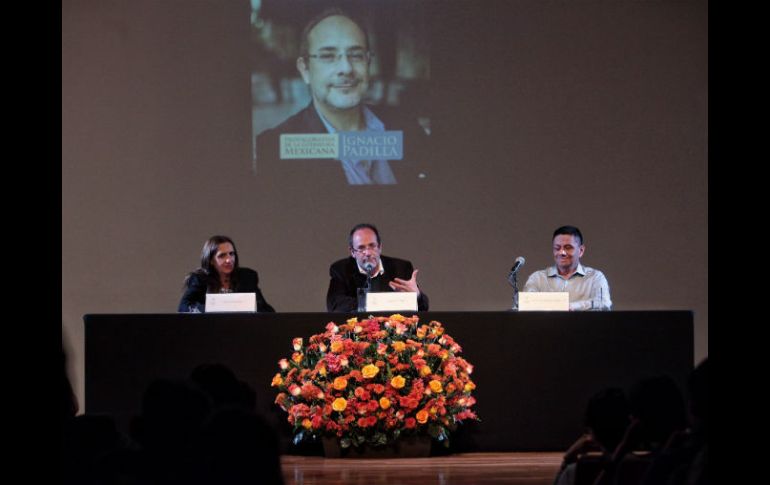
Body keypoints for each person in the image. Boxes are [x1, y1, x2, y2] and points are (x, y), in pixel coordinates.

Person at [255, 7, 429, 185]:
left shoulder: (407, 126)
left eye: (356, 55)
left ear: (368, 63)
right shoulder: (276, 148)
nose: (346, 68)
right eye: (328, 56)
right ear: (305, 69)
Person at [327, 223, 429, 312]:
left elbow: (423, 308)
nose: (367, 253)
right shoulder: (341, 269)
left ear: (380, 247)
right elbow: (335, 305)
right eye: (361, 248)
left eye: (372, 246)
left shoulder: (400, 268)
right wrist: (379, 303)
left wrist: (417, 296)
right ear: (352, 252)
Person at [523, 225, 612, 311]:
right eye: (557, 248)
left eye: (568, 248)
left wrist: (573, 306)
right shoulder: (537, 278)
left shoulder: (595, 277)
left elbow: (604, 304)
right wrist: (560, 305)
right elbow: (526, 304)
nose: (562, 252)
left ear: (581, 251)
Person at [178, 235, 275, 313]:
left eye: (231, 254)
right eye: (222, 256)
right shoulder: (200, 279)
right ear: (211, 260)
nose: (229, 260)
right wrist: (211, 308)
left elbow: (265, 309)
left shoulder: (247, 276)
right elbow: (184, 306)